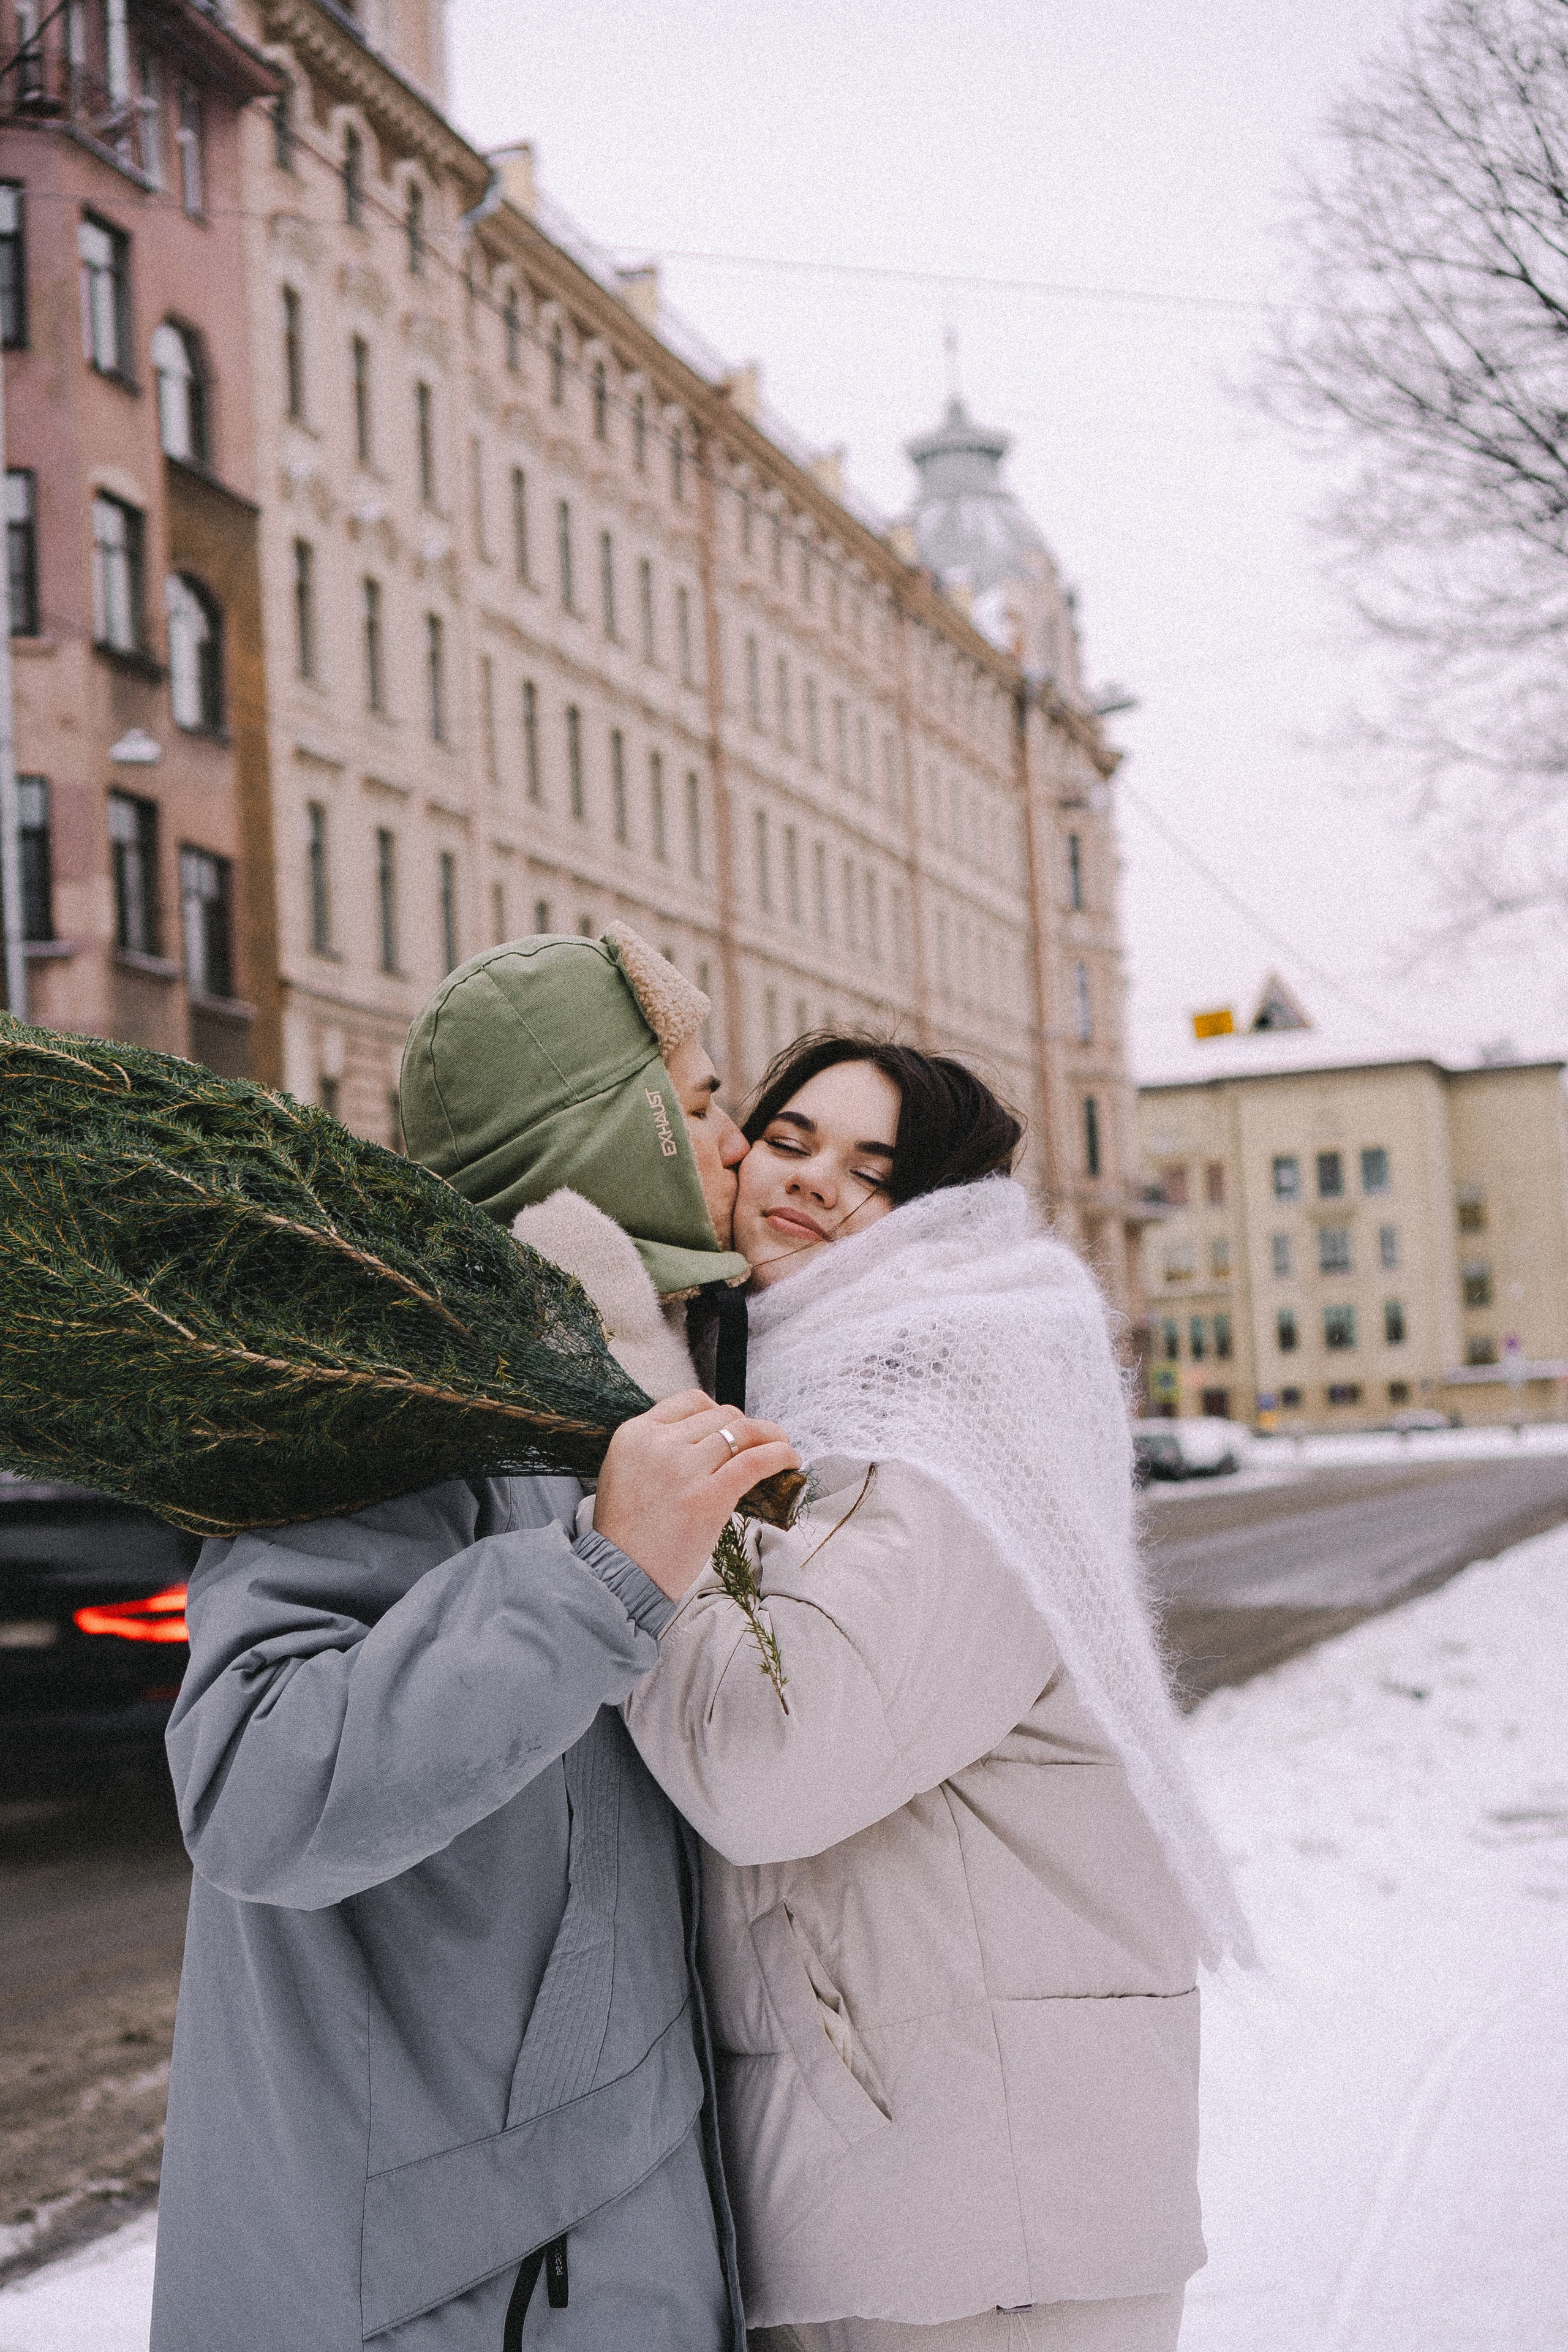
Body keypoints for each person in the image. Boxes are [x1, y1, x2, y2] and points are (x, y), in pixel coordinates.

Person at [151, 928, 797, 2352]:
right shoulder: (390, 1395)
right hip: (451, 2282)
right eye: (698, 1103)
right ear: (606, 1132)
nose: (738, 1143)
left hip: (585, 2246)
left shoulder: (618, 1385)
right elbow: (256, 1789)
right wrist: (596, 1581)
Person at [619, 1035, 1254, 2352]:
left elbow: (774, 1764)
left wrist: (631, 1513)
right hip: (914, 2178)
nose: (812, 1182)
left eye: (876, 1172)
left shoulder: (958, 1404)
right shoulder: (790, 1391)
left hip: (987, 2219)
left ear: (943, 1217)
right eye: (789, 1140)